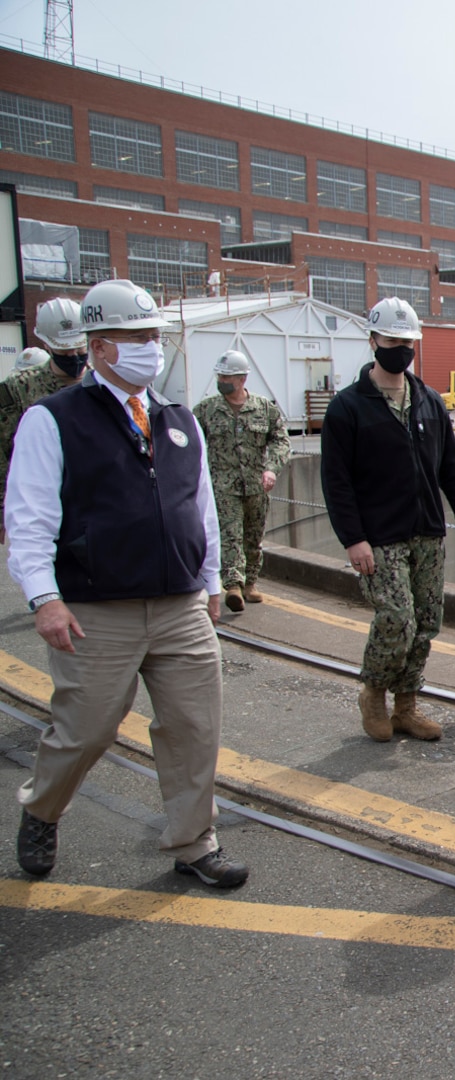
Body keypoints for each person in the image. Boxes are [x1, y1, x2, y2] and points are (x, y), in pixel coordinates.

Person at [8, 279, 246, 887]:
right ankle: (42, 807)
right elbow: (29, 517)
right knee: (86, 729)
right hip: (96, 608)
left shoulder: (177, 418)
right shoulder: (52, 419)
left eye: (155, 337)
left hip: (180, 603)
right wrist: (44, 598)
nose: (151, 348)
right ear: (101, 347)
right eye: (138, 338)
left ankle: (195, 841)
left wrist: (212, 578)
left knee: (195, 727)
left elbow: (202, 506)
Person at [321, 297, 455, 743]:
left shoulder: (429, 401)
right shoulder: (348, 408)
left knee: (427, 621)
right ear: (373, 341)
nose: (402, 348)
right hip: (379, 537)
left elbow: (451, 466)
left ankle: (406, 704)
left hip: (427, 530)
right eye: (393, 340)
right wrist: (353, 539)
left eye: (408, 341)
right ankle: (374, 693)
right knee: (397, 617)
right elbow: (337, 482)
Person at [193, 349, 291, 612]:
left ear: (242, 379)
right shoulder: (206, 410)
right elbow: (191, 444)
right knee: (230, 534)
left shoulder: (264, 409)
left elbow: (282, 440)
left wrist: (271, 468)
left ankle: (251, 583)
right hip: (223, 486)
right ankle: (233, 584)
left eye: (228, 376)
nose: (222, 380)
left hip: (257, 485)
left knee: (253, 536)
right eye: (220, 375)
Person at [0, 298, 90, 543]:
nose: (73, 356)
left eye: (79, 349)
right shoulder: (19, 388)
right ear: (47, 345)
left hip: (95, 503)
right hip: (42, 503)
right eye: (64, 350)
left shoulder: (103, 382)